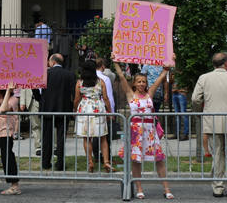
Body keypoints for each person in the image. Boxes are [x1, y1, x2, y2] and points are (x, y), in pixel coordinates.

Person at [191, 52, 227, 200]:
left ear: (213, 64)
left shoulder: (204, 78)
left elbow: (195, 99)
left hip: (212, 121)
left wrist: (199, 113)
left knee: (217, 154)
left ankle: (217, 187)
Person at [115, 63, 171, 200]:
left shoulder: (150, 93)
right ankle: (139, 188)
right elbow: (121, 76)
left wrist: (168, 65)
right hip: (136, 132)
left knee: (159, 159)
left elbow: (161, 76)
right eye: (139, 81)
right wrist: (115, 62)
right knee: (136, 161)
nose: (141, 84)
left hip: (150, 131)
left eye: (144, 82)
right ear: (134, 84)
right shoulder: (130, 94)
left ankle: (166, 188)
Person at [73, 59, 111, 172]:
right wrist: (109, 111)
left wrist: (75, 109)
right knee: (103, 138)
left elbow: (76, 99)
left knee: (86, 138)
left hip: (84, 108)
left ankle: (90, 162)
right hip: (98, 108)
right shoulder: (100, 82)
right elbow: (105, 98)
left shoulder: (79, 83)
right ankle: (106, 162)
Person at [40, 53, 75, 171]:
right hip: (64, 109)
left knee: (46, 138)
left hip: (47, 109)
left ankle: (45, 162)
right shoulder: (70, 75)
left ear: (53, 62)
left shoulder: (45, 74)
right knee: (61, 139)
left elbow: (36, 89)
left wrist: (40, 100)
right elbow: (73, 93)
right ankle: (60, 164)